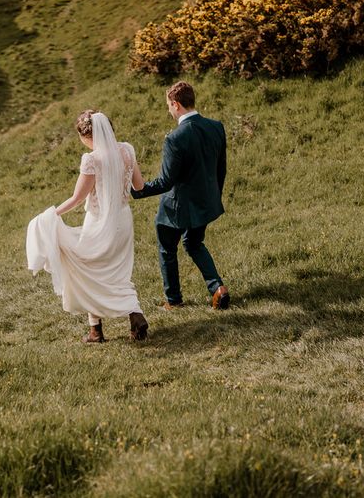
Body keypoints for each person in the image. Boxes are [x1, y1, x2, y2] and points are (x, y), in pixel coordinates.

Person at [26, 110, 149, 343]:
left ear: (86, 136)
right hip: (123, 220)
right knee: (118, 273)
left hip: (99, 222)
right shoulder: (128, 150)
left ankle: (96, 331)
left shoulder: (92, 159)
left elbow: (77, 199)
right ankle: (135, 314)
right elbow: (139, 185)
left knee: (87, 271)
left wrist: (50, 214)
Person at [131, 81, 230, 310]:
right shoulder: (216, 127)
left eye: (168, 105)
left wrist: (138, 190)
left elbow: (166, 181)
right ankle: (217, 287)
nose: (168, 110)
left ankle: (173, 301)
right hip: (206, 201)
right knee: (194, 243)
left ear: (176, 104)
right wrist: (214, 195)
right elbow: (220, 169)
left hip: (176, 207)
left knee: (167, 249)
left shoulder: (175, 139)